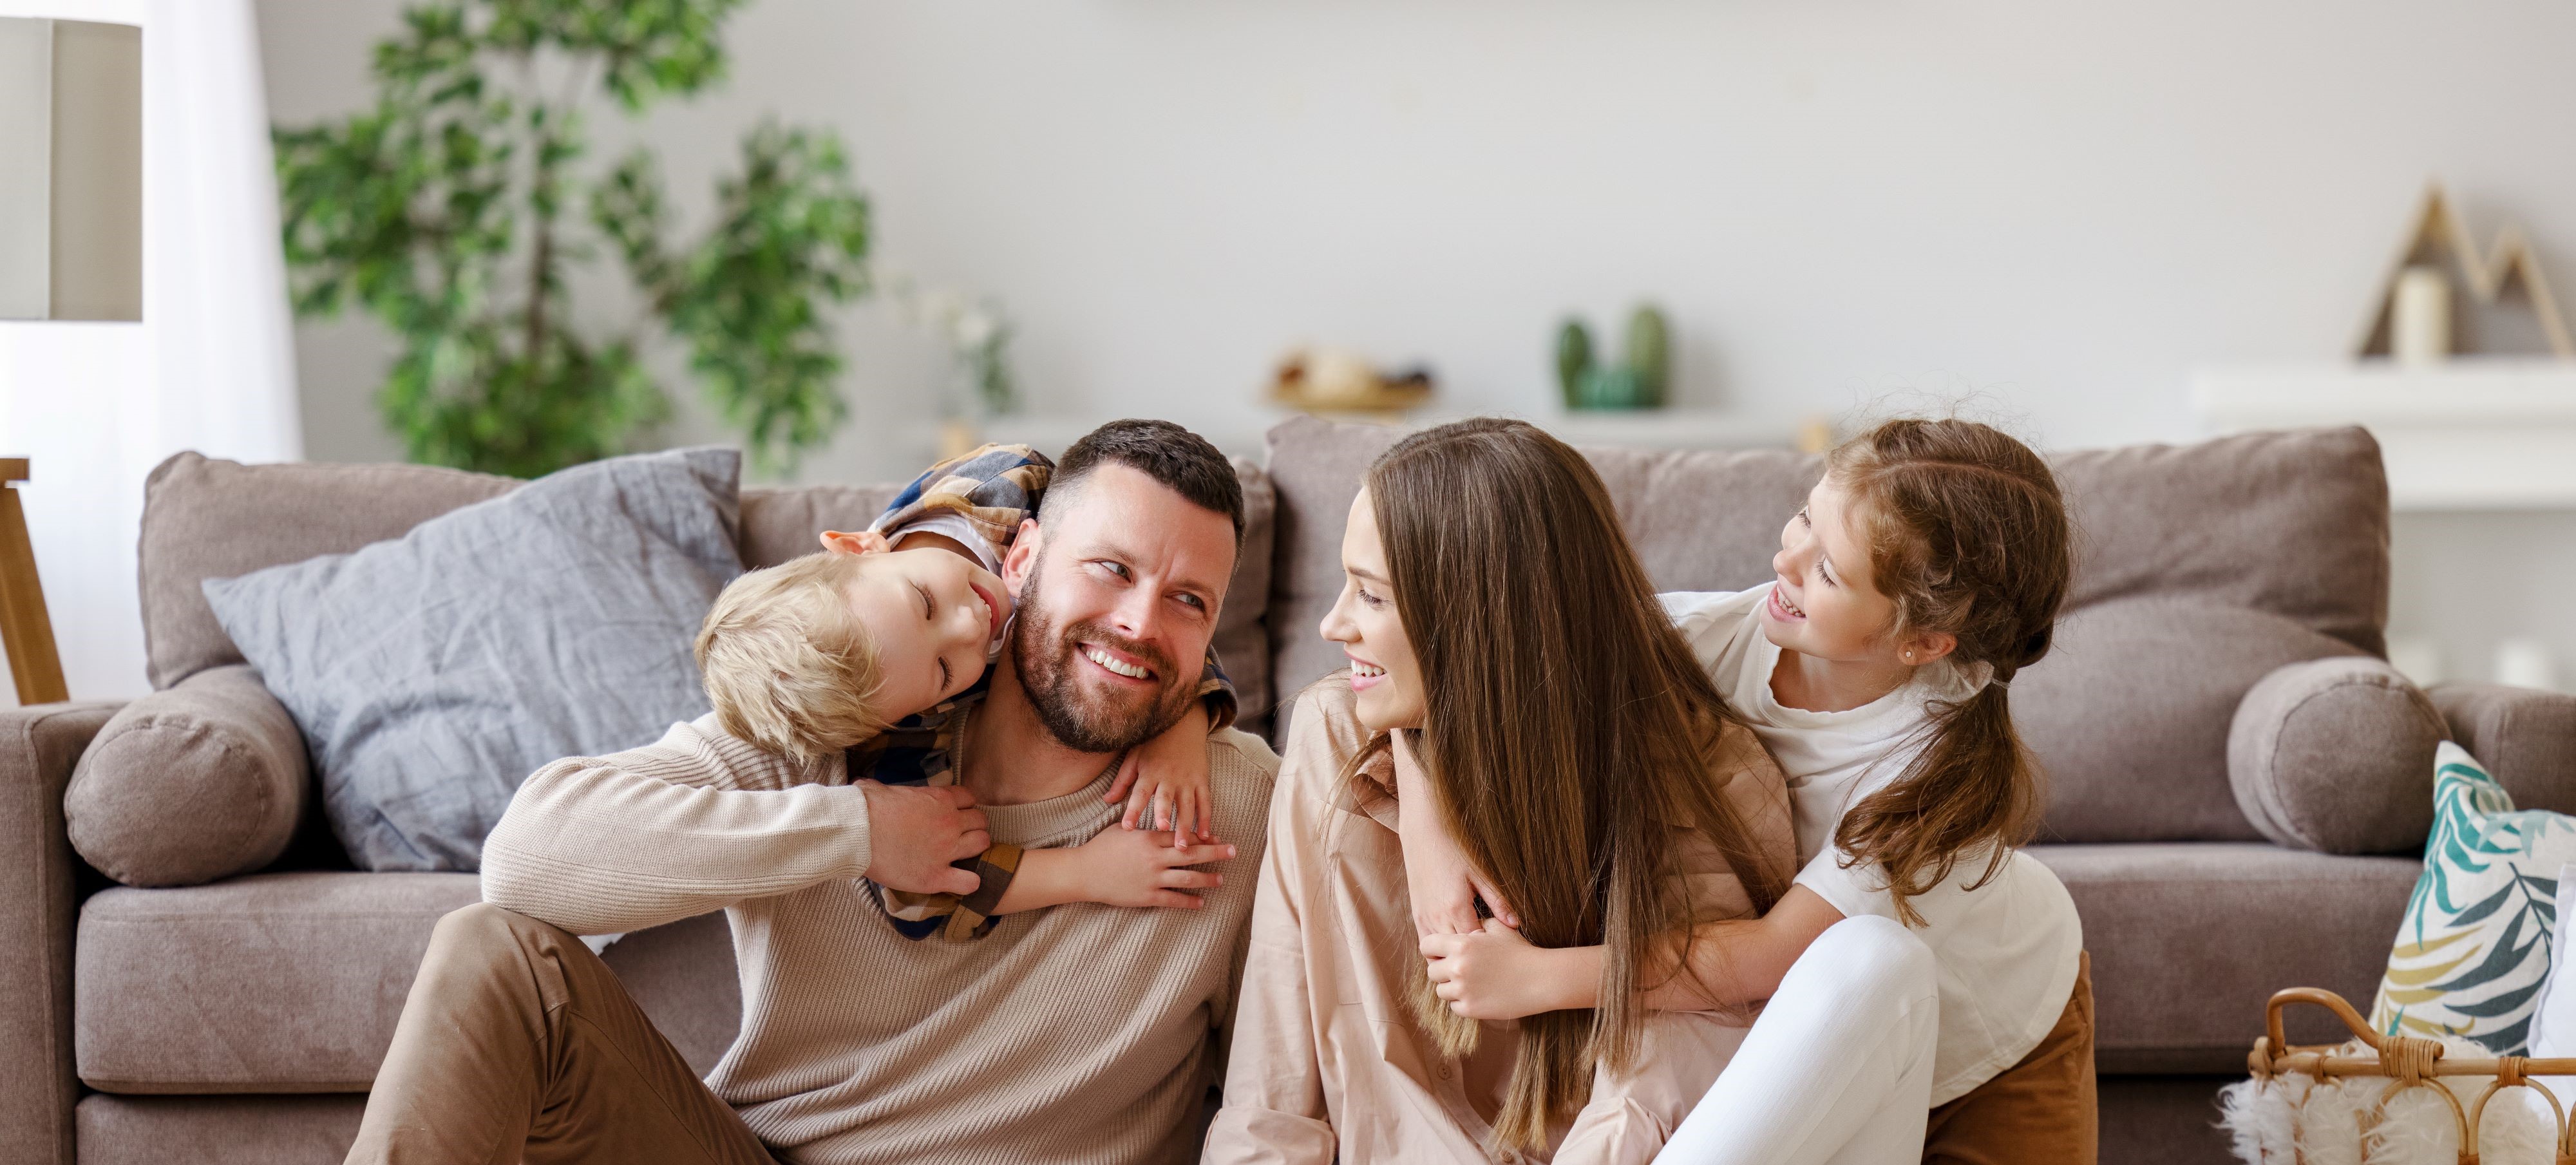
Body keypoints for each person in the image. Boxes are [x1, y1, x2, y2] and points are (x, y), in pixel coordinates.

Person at [343, 420, 1278, 1165]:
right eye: (1111, 568)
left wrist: (1194, 720)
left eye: (1188, 601)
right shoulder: (843, 723)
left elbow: (1298, 1093)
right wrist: (853, 829)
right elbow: (525, 864)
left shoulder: (1239, 806)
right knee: (494, 954)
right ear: (1023, 560)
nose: (1137, 621)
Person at [1411, 417, 2096, 1164]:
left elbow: (1772, 953)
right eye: (1804, 516)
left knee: (1871, 957)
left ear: (1923, 643)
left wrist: (1540, 979)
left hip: (1991, 1030)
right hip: (1798, 1034)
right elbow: (1431, 683)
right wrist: (1431, 833)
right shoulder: (1701, 639)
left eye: (1829, 572)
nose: (1785, 557)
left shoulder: (1930, 772)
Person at [1203, 418, 1799, 1165]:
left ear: (1482, 622)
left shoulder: (1717, 778)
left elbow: (1678, 1077)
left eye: (1373, 597)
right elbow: (1273, 1072)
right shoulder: (1336, 734)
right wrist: (1422, 788)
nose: (1332, 624)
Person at [694, 442, 1236, 942]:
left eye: (925, 602)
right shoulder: (903, 721)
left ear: (861, 548)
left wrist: (1183, 725)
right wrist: (1085, 873)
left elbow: (1155, 570)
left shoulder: (1006, 483)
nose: (973, 624)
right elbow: (923, 896)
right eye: (944, 669)